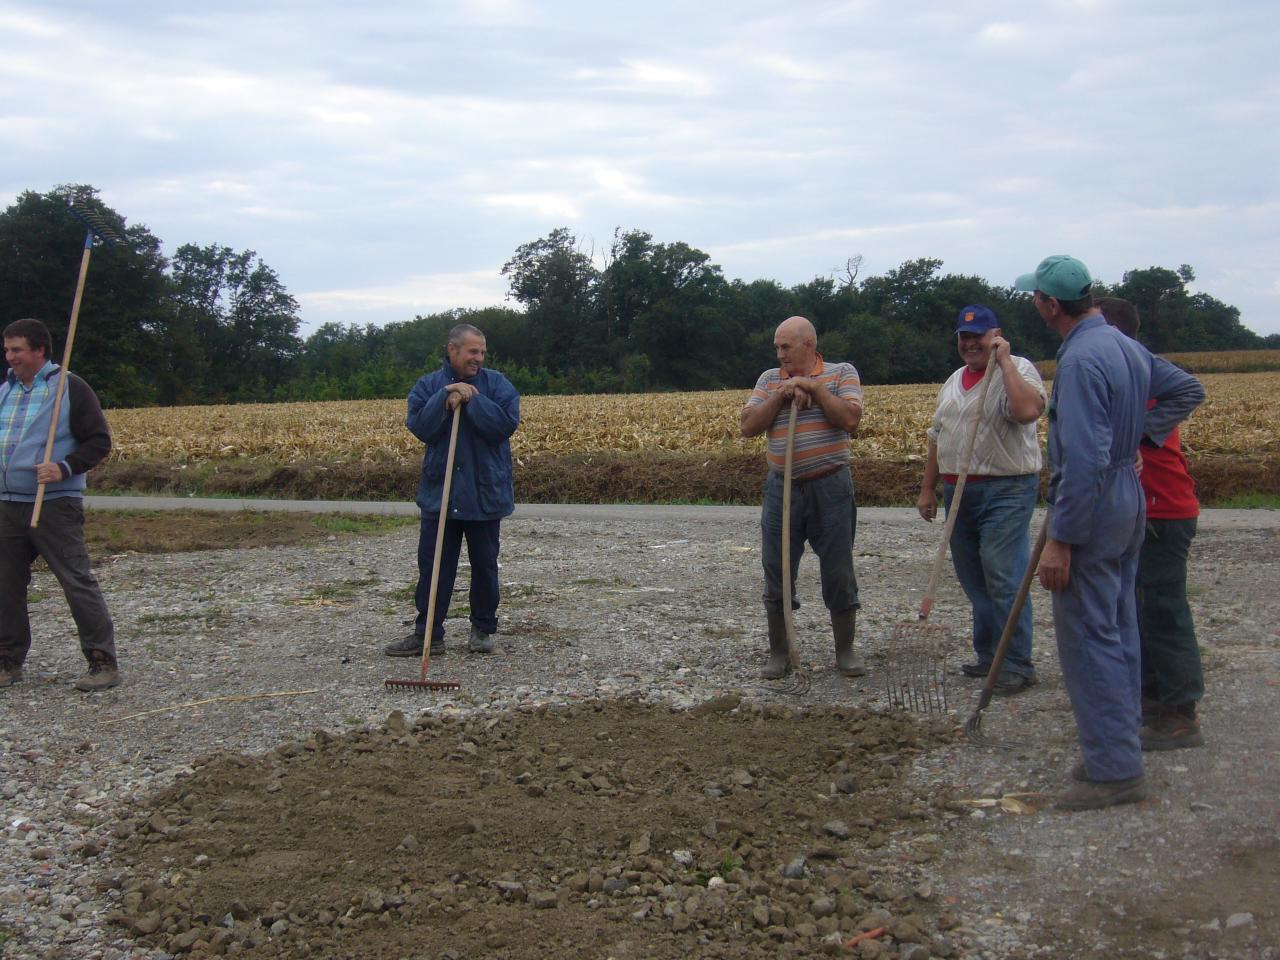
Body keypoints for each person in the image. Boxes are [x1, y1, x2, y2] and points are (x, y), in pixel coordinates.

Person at [1017, 256, 1203, 810]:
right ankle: (1118, 748)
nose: (1035, 304)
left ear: (1051, 305)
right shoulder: (1122, 344)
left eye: (1037, 297)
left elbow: (1085, 457)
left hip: (1096, 503)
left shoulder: (1080, 359)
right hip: (1129, 496)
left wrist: (1061, 538)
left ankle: (1113, 771)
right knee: (1121, 628)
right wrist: (1139, 438)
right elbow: (1185, 389)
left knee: (1089, 636)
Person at [917, 305, 1046, 694]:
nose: (970, 343)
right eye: (964, 336)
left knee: (1003, 574)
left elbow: (1026, 411)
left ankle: (1018, 662)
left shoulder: (1019, 370)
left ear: (996, 335)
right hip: (959, 488)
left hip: (1006, 487)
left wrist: (1003, 362)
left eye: (978, 336)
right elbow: (938, 436)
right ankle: (989, 654)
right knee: (974, 577)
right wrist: (928, 488)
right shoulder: (954, 380)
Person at [1097, 296, 1207, 750]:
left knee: (1162, 610)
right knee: (1136, 610)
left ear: (1115, 332)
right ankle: (1149, 699)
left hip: (1163, 505)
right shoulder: (1115, 372)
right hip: (1133, 505)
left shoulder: (1143, 367)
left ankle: (1180, 713)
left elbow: (1191, 390)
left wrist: (1138, 432)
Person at [383, 323, 520, 658]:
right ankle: (428, 633)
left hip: (485, 494)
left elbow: (503, 426)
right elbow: (422, 428)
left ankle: (483, 630)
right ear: (452, 349)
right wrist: (445, 397)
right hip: (439, 494)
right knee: (434, 567)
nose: (478, 358)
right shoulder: (428, 385)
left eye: (482, 352)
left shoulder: (497, 384)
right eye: (473, 351)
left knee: (485, 566)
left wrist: (472, 400)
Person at [741, 315, 864, 679]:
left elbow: (850, 419)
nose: (779, 355)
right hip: (783, 487)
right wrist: (782, 394)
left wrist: (814, 389)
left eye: (786, 347)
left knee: (838, 569)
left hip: (831, 486)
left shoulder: (842, 373)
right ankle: (779, 651)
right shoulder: (768, 380)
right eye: (777, 347)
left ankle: (845, 650)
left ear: (808, 346)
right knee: (777, 569)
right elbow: (747, 426)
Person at [1, 318, 119, 691]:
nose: (10, 357)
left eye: (17, 349)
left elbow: (99, 441)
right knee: (5, 584)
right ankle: (8, 661)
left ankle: (103, 662)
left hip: (53, 503)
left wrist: (64, 467)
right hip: (6, 503)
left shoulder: (70, 388)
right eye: (7, 349)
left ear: (40, 349)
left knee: (75, 581)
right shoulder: (6, 390)